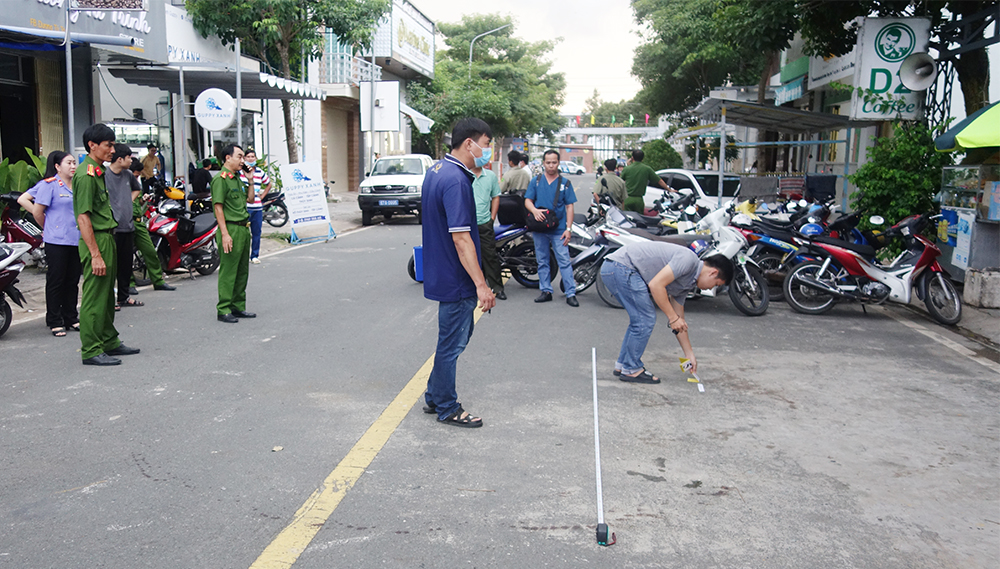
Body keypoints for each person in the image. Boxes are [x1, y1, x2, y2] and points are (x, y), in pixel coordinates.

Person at [420, 117, 496, 428]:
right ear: (470, 143)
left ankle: (433, 395)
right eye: (486, 145)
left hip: (442, 271)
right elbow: (461, 237)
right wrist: (482, 284)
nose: (486, 152)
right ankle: (447, 407)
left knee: (449, 340)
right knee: (453, 343)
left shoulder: (437, 170)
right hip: (456, 278)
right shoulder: (456, 180)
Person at [600, 241, 732, 383]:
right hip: (621, 267)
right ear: (713, 272)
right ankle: (631, 369)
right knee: (645, 319)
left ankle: (622, 365)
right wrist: (672, 318)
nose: (710, 289)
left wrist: (689, 354)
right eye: (716, 284)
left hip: (616, 268)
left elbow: (679, 320)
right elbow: (656, 285)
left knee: (640, 320)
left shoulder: (687, 283)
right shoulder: (688, 260)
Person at [73, 123, 140, 366]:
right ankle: (91, 349)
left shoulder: (98, 171)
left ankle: (109, 340)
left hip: (107, 236)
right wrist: (95, 254)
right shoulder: (86, 175)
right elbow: (83, 217)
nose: (112, 150)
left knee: (106, 297)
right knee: (95, 297)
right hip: (96, 239)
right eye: (108, 145)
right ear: (92, 145)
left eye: (113, 145)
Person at [17, 151, 81, 337]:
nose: (73, 166)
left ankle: (71, 317)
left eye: (74, 163)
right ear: (57, 166)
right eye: (68, 163)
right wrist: (47, 223)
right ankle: (54, 320)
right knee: (56, 280)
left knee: (72, 280)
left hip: (75, 239)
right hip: (56, 241)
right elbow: (34, 209)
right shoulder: (50, 185)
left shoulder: (76, 185)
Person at [525, 149, 579, 307]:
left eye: (554, 162)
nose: (551, 165)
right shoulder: (536, 181)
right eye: (548, 162)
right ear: (543, 163)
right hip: (540, 229)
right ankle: (546, 291)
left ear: (558, 163)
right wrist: (534, 210)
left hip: (559, 230)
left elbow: (570, 207)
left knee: (564, 261)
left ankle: (571, 293)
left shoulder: (565, 183)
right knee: (542, 261)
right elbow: (527, 200)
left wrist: (568, 228)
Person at [212, 144, 256, 323]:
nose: (242, 160)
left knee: (242, 271)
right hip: (230, 228)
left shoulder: (237, 178)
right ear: (228, 158)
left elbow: (251, 199)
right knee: (229, 270)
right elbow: (218, 207)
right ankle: (223, 308)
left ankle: (238, 306)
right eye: (239, 156)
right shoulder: (220, 179)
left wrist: (250, 180)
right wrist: (224, 234)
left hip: (244, 228)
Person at [127, 159, 175, 294]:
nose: (137, 178)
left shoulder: (135, 184)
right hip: (126, 222)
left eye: (138, 176)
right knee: (126, 255)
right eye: (135, 175)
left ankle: (158, 281)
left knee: (150, 251)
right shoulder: (121, 183)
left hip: (138, 221)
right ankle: (129, 284)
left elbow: (138, 201)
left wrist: (143, 199)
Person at [105, 144, 143, 310]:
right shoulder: (104, 175)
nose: (131, 160)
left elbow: (137, 189)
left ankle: (123, 296)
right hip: (112, 228)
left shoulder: (128, 175)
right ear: (120, 159)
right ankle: (109, 300)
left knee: (125, 264)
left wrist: (127, 200)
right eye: (129, 157)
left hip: (128, 226)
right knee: (110, 266)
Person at [472, 157, 505, 300]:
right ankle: (471, 287)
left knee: (490, 256)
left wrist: (492, 218)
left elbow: (496, 197)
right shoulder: (464, 175)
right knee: (467, 255)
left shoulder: (490, 176)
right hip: (466, 223)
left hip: (484, 222)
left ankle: (497, 287)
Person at [238, 149, 272, 264]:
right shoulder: (240, 173)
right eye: (248, 157)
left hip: (257, 207)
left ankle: (254, 255)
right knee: (243, 233)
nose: (251, 159)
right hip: (245, 207)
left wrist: (262, 196)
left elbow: (269, 183)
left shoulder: (259, 172)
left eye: (253, 157)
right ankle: (242, 256)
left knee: (256, 232)